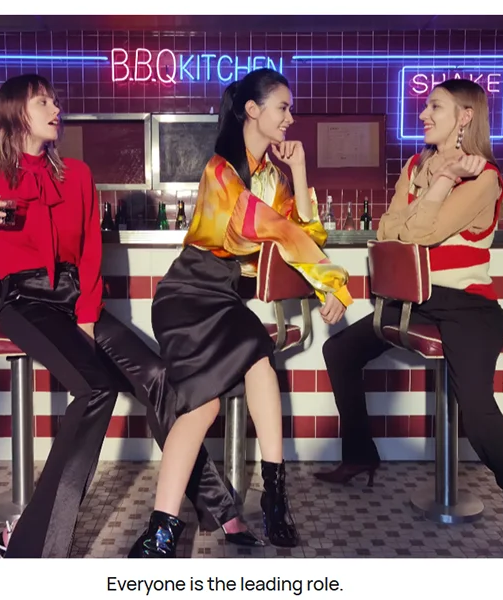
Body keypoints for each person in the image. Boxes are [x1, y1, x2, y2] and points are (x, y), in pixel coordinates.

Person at [0, 74, 262, 558]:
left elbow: (91, 253)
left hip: (76, 299)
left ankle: (220, 509)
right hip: (26, 303)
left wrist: (87, 313)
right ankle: (34, 544)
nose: (56, 108)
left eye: (55, 100)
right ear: (16, 114)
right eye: (43, 101)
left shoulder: (76, 175)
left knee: (159, 377)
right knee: (96, 388)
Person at [127, 68, 353, 558]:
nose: (290, 118)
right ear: (252, 110)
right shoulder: (220, 171)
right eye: (283, 107)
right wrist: (331, 282)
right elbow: (266, 228)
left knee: (259, 358)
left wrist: (300, 173)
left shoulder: (273, 177)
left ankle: (274, 496)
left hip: (226, 299)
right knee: (204, 404)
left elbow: (308, 235)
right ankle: (161, 528)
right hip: (186, 296)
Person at [314, 79, 503, 558]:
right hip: (413, 301)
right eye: (425, 106)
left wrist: (437, 186)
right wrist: (427, 190)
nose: (423, 115)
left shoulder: (485, 178)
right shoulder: (415, 165)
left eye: (435, 106)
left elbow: (418, 233)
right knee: (340, 350)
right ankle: (360, 455)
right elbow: (386, 230)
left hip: (467, 307)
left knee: (476, 411)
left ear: (464, 117)